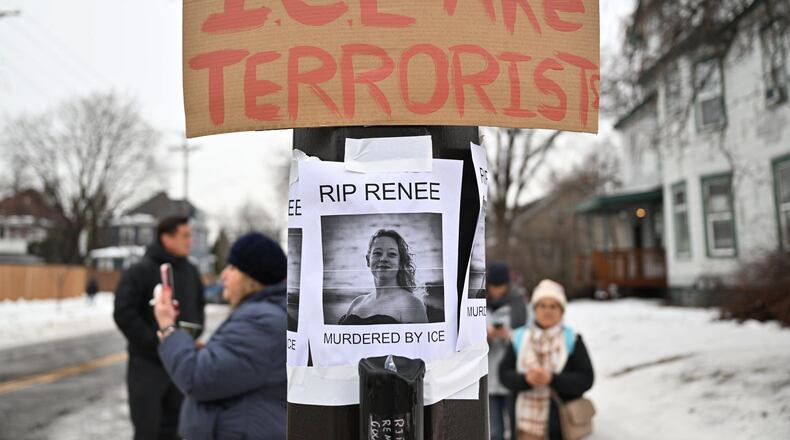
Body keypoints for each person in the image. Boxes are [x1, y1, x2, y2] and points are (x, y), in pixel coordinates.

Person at [154, 231, 287, 440]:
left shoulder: (262, 321)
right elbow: (232, 369)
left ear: (252, 278)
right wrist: (205, 352)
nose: (223, 275)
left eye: (233, 268)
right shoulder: (262, 315)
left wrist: (168, 327)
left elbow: (196, 378)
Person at [113, 216, 205, 440]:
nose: (190, 241)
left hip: (181, 365)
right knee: (148, 430)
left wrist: (192, 336)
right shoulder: (140, 270)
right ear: (166, 237)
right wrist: (157, 342)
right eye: (185, 235)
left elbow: (199, 307)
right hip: (147, 366)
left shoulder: (191, 271)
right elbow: (124, 313)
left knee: (177, 429)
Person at [499, 280, 594, 440]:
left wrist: (552, 379)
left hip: (560, 428)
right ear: (535, 309)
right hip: (524, 428)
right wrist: (526, 379)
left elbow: (586, 379)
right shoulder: (519, 338)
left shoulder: (572, 340)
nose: (547, 311)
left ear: (561, 311)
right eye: (542, 306)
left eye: (553, 306)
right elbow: (504, 374)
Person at [338, 229, 429, 325]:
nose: (383, 259)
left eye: (392, 254)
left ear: (401, 263)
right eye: (377, 253)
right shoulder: (356, 303)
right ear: (368, 260)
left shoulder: (412, 305)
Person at [486, 262, 527, 440]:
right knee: (494, 431)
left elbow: (529, 335)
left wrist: (508, 335)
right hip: (488, 377)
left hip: (512, 376)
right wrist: (485, 336)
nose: (496, 290)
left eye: (500, 285)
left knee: (517, 427)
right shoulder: (479, 304)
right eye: (493, 285)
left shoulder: (519, 304)